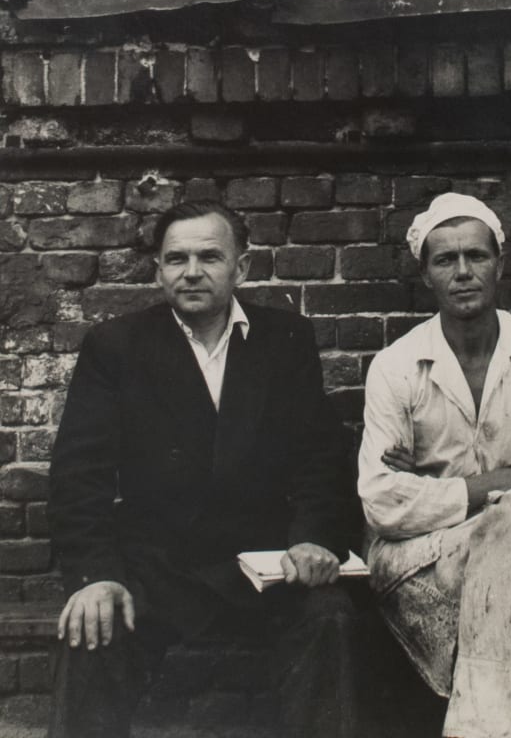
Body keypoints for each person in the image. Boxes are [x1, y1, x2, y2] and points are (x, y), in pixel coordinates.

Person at [47, 200, 362, 738]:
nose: (192, 272)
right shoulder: (116, 346)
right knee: (92, 624)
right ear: (159, 271)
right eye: (177, 259)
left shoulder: (284, 340)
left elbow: (320, 458)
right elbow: (81, 474)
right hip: (160, 564)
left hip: (264, 561)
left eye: (209, 257)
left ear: (240, 267)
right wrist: (95, 574)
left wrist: (313, 539)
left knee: (331, 617)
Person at [358, 191, 511, 738]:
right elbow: (380, 502)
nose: (463, 272)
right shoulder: (397, 367)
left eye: (477, 256)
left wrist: (430, 489)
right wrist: (492, 484)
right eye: (446, 260)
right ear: (426, 275)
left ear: (501, 264)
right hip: (418, 560)